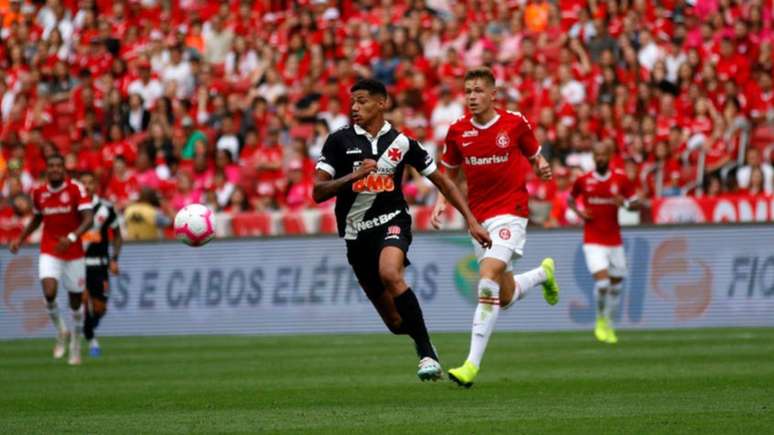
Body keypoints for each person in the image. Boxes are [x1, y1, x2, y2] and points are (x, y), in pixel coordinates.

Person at [313, 79, 491, 381]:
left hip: (393, 221)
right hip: (357, 236)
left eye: (362, 101)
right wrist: (354, 175)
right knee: (396, 323)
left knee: (391, 273)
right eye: (353, 102)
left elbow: (443, 181)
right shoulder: (338, 141)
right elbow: (318, 191)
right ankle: (423, 339)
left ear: (382, 103)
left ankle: (426, 355)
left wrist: (471, 220)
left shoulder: (402, 143)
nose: (355, 107)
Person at [431, 67, 560, 388]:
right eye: (468, 91)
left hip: (511, 212)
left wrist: (542, 166)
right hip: (478, 218)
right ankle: (543, 274)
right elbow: (450, 174)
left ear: (492, 94)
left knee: (486, 280)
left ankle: (470, 365)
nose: (471, 97)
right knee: (503, 296)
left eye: (477, 91)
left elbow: (535, 154)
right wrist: (441, 202)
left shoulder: (514, 123)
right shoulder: (458, 131)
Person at [8, 154, 94, 365]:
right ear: (47, 169)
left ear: (64, 169)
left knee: (76, 302)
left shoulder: (76, 189)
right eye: (51, 166)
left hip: (73, 251)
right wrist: (20, 238)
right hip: (50, 249)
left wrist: (72, 237)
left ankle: (75, 341)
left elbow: (89, 219)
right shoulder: (39, 192)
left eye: (58, 165)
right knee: (49, 292)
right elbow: (38, 218)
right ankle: (61, 331)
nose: (55, 169)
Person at [568, 141, 640, 344]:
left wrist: (624, 203)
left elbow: (636, 203)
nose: (599, 158)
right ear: (593, 157)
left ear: (609, 156)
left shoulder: (621, 180)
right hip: (592, 240)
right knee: (602, 284)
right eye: (596, 155)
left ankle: (608, 323)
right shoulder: (583, 180)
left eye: (603, 154)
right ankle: (600, 321)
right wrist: (580, 213)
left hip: (614, 240)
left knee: (616, 287)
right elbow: (570, 199)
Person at [80, 172, 122, 357]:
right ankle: (92, 341)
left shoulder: (106, 209)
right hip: (78, 263)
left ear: (96, 185)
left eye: (90, 183)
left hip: (100, 264)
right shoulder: (74, 209)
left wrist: (114, 258)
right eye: (83, 184)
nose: (87, 186)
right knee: (82, 302)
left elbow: (118, 235)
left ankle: (89, 327)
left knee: (100, 308)